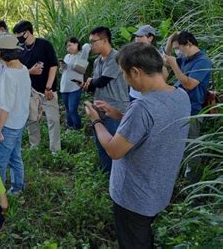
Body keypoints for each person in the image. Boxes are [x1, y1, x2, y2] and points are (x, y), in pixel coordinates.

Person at [83, 42, 191, 248]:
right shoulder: (180, 95)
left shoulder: (142, 107)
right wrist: (118, 115)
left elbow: (114, 150)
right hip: (158, 189)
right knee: (143, 237)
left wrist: (96, 120)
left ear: (135, 71)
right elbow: (153, 128)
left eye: (124, 73)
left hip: (133, 197)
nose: (125, 78)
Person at [0, 35, 31, 196]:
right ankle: (17, 187)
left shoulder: (9, 75)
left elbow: (5, 107)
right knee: (14, 156)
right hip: (19, 122)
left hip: (8, 124)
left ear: (4, 54)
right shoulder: (23, 69)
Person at [164, 30, 212, 181]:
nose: (178, 52)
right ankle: (178, 177)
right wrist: (171, 40)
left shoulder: (202, 61)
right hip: (178, 106)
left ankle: (192, 182)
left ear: (189, 44)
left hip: (192, 110)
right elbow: (165, 60)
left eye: (179, 48)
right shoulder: (185, 57)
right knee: (177, 144)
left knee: (192, 148)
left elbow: (190, 84)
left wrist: (175, 66)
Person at [80, 26, 129, 173]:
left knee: (115, 145)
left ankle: (116, 176)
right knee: (101, 143)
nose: (90, 45)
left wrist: (90, 81)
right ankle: (106, 174)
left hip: (115, 108)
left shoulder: (116, 58)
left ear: (105, 40)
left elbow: (101, 81)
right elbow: (96, 85)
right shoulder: (97, 61)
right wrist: (87, 84)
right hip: (99, 107)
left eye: (93, 41)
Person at [13, 20, 61, 154]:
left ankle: (55, 151)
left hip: (47, 89)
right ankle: (35, 145)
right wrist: (30, 71)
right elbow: (19, 71)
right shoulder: (20, 50)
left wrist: (49, 87)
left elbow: (53, 65)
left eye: (19, 34)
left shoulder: (44, 45)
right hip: (31, 90)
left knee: (53, 119)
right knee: (32, 119)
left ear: (27, 33)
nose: (18, 37)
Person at [59, 37, 91, 130]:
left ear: (76, 44)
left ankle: (77, 129)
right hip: (64, 86)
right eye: (67, 46)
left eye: (70, 45)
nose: (68, 48)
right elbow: (63, 71)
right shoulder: (67, 56)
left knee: (72, 109)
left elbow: (86, 46)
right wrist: (62, 67)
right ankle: (70, 127)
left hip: (75, 87)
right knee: (68, 110)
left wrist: (82, 46)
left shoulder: (81, 55)